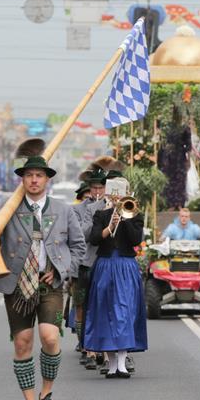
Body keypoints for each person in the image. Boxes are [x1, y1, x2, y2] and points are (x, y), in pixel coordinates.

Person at [0, 139, 86, 400]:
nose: (34, 180)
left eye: (39, 176)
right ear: (22, 180)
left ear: (47, 180)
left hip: (50, 282)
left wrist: (61, 269)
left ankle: (47, 395)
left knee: (50, 338)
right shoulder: (10, 208)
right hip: (17, 283)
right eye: (29, 176)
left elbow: (78, 248)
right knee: (23, 343)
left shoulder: (63, 210)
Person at [83, 173, 147, 379]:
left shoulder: (135, 213)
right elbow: (93, 239)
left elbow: (136, 240)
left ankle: (122, 363)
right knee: (104, 311)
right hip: (105, 265)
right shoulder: (101, 214)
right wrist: (110, 224)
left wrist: (125, 216)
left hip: (126, 265)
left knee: (125, 311)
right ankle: (111, 364)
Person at [73, 157, 122, 371]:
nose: (98, 191)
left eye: (101, 187)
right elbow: (82, 233)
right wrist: (99, 212)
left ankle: (107, 350)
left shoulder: (114, 205)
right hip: (85, 263)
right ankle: (87, 346)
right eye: (94, 188)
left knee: (107, 306)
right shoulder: (79, 209)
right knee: (83, 306)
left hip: (106, 262)